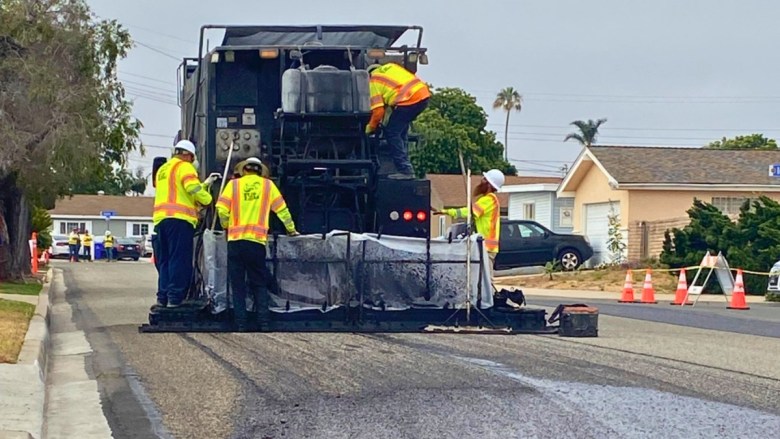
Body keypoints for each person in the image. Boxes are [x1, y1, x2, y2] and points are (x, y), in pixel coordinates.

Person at [216, 157, 299, 331]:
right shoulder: (268, 186)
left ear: (244, 170)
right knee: (259, 283)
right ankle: (264, 323)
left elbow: (221, 209)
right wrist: (291, 230)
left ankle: (240, 324)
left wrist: (226, 226)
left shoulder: (234, 185)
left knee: (238, 285)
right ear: (259, 170)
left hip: (235, 243)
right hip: (256, 243)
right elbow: (282, 210)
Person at [152, 140, 218, 309]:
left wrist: (206, 184)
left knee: (165, 261)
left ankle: (163, 297)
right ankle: (175, 298)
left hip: (161, 220)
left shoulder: (163, 169)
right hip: (179, 220)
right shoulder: (185, 167)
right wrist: (208, 198)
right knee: (178, 259)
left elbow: (179, 192)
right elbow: (192, 189)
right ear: (188, 155)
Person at [434, 169, 505, 283]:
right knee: (479, 281)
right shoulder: (487, 200)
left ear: (488, 184)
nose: (481, 180)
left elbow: (470, 212)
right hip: (483, 247)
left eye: (484, 179)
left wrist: (447, 212)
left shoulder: (489, 200)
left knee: (485, 282)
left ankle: (488, 300)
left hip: (486, 248)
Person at [365, 62, 430, 180]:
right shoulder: (391, 67)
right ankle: (406, 167)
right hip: (423, 95)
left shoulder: (373, 81)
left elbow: (378, 112)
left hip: (408, 99)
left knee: (392, 132)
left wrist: (370, 128)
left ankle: (405, 170)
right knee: (401, 132)